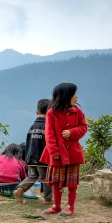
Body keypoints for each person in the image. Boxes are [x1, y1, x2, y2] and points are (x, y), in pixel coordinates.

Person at [40, 82, 88, 216]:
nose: (76, 97)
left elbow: (84, 127)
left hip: (73, 153)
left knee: (72, 183)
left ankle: (70, 207)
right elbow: (49, 134)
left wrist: (72, 132)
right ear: (66, 96)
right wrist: (54, 152)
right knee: (56, 182)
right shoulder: (52, 113)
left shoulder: (77, 112)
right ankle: (56, 206)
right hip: (57, 154)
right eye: (74, 95)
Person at [14, 99, 53, 204]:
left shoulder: (32, 126)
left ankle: (19, 190)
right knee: (46, 178)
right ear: (50, 111)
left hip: (31, 156)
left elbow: (28, 142)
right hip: (42, 158)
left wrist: (27, 158)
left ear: (37, 112)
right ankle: (48, 199)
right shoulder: (48, 126)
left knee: (32, 176)